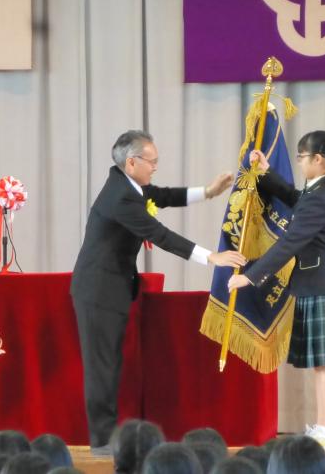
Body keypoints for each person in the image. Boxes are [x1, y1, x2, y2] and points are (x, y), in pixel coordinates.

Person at [72, 130, 246, 455]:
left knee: (110, 364)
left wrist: (207, 192)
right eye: (152, 161)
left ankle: (106, 436)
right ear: (132, 161)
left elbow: (161, 196)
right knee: (102, 366)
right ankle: (101, 441)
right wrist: (211, 257)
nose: (155, 167)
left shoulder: (129, 186)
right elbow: (159, 234)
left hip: (111, 288)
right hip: (99, 291)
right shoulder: (120, 198)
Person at [228, 130, 325, 455]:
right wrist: (265, 174)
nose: (299, 162)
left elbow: (290, 243)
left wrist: (251, 276)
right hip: (324, 283)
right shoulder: (320, 190)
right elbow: (293, 198)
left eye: (302, 158)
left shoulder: (322, 195)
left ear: (318, 160)